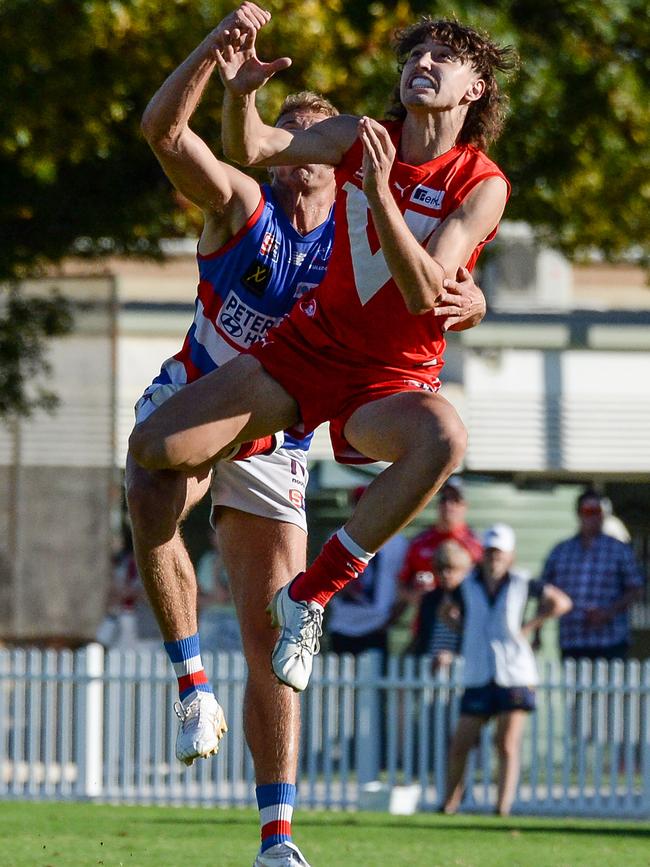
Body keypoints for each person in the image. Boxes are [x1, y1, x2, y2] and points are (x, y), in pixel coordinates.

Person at [129, 8, 515, 695]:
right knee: (153, 449)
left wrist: (379, 189)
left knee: (444, 437)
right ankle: (191, 675)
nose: (421, 65)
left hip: (390, 380)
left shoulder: (482, 183)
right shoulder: (362, 136)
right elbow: (252, 147)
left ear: (475, 89)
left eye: (441, 60)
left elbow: (425, 290)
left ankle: (310, 594)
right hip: (308, 352)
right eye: (414, 56)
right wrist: (240, 91)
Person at [126, 5, 341, 864]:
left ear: (339, 162)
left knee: (275, 640)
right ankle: (189, 684)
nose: (289, 152)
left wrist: (467, 299)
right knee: (147, 489)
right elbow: (162, 132)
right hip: (200, 393)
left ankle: (277, 841)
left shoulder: (361, 243)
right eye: (277, 134)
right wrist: (216, 59)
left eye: (306, 141)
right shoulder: (244, 202)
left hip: (275, 442)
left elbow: (438, 286)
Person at [442, 524, 572, 816]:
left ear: (510, 555)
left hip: (515, 673)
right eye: (489, 551)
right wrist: (463, 630)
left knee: (506, 743)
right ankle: (449, 803)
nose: (493, 557)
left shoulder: (523, 583)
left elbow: (561, 602)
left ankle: (502, 807)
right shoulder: (468, 584)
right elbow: (445, 609)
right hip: (478, 672)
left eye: (499, 552)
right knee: (461, 742)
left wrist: (530, 627)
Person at [540, 489, 645, 662]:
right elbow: (544, 591)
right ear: (579, 513)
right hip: (572, 640)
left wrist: (608, 612)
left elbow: (636, 589)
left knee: (608, 689)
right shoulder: (561, 551)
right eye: (589, 511)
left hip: (610, 641)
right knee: (575, 688)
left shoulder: (619, 550)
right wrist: (538, 631)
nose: (594, 517)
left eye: (599, 513)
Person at [326, 486, 408, 664]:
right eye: (359, 504)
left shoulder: (396, 542)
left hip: (375, 628)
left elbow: (404, 587)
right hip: (342, 626)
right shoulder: (337, 538)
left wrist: (387, 623)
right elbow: (325, 584)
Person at [395, 476, 482, 637]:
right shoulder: (420, 542)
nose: (448, 505)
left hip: (460, 627)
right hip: (426, 627)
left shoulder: (474, 545)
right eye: (444, 499)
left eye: (455, 500)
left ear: (465, 506)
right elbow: (401, 584)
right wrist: (419, 597)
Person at [406, 540, 472, 670]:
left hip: (461, 669)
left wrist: (453, 656)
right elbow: (421, 636)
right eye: (441, 569)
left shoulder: (471, 599)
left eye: (452, 569)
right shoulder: (430, 599)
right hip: (430, 670)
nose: (445, 574)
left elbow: (475, 638)